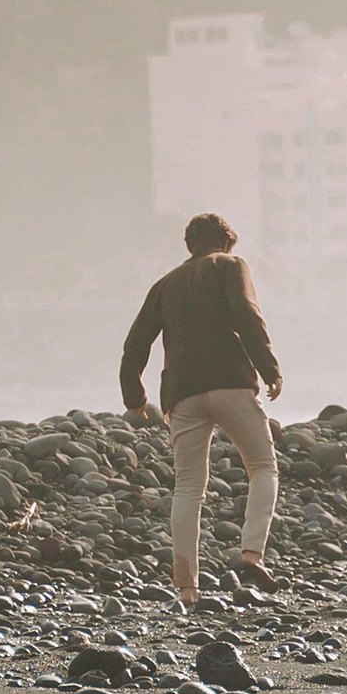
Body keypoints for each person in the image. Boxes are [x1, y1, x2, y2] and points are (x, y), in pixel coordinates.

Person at [121, 210, 283, 608]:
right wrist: (270, 368)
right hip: (230, 380)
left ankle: (187, 588)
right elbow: (248, 316)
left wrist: (135, 397)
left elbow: (136, 342)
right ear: (226, 242)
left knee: (188, 488)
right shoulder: (230, 266)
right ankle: (251, 552)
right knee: (262, 467)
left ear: (189, 245)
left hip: (182, 393)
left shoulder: (165, 284)